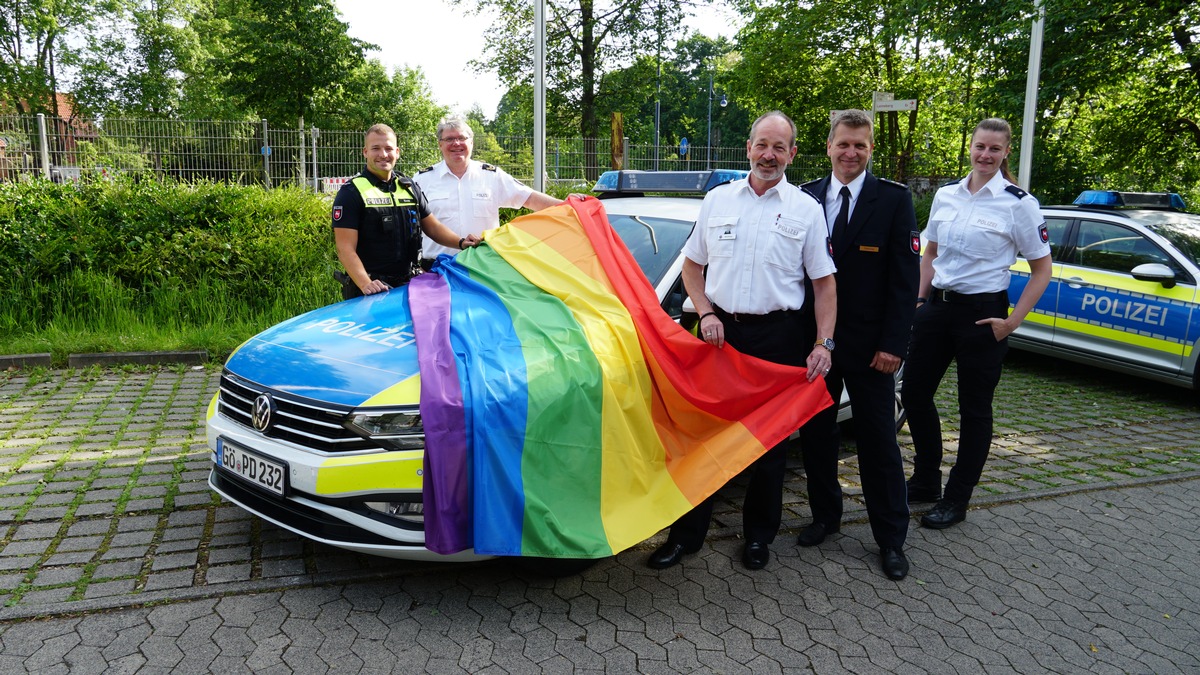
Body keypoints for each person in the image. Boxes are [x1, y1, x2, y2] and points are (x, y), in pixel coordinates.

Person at [646, 110, 837, 572]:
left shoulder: (806, 210)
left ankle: (758, 538)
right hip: (719, 338)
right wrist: (706, 312)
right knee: (702, 439)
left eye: (779, 147)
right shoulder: (717, 200)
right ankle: (686, 537)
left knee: (767, 447)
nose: (768, 155)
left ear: (792, 153)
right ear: (748, 147)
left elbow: (825, 285)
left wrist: (823, 344)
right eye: (761, 145)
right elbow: (693, 267)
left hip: (779, 338)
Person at [902, 117, 1052, 529]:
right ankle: (926, 479)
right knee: (913, 395)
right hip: (937, 308)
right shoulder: (946, 195)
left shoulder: (1019, 203)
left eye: (994, 149)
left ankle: (956, 499)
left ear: (1006, 153)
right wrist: (919, 301)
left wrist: (1011, 322)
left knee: (974, 411)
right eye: (979, 146)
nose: (985, 155)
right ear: (969, 147)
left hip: (984, 315)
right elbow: (930, 252)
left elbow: (1042, 269)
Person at [797, 110, 920, 580]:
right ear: (828, 147)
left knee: (878, 442)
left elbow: (904, 282)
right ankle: (826, 517)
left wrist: (894, 343)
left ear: (871, 150)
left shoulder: (892, 199)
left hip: (872, 350)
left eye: (860, 146)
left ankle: (891, 538)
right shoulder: (804, 196)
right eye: (843, 144)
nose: (851, 153)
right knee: (817, 435)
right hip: (815, 346)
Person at [332, 124, 479, 300]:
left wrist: (461, 243)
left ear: (397, 152)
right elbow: (344, 248)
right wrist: (365, 283)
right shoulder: (351, 192)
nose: (383, 154)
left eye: (388, 148)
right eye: (376, 148)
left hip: (411, 284)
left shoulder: (408, 187)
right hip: (372, 289)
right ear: (365, 152)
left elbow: (433, 227)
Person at [413, 116, 563, 266]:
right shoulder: (422, 179)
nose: (456, 143)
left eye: (462, 138)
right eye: (449, 139)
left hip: (484, 267)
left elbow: (529, 198)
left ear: (471, 142)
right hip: (435, 269)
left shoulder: (492, 176)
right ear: (440, 144)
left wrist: (570, 206)